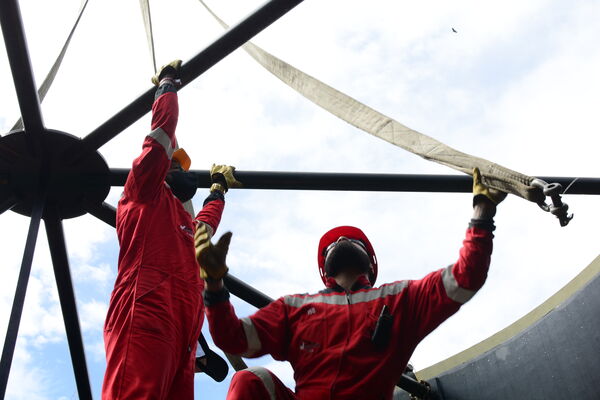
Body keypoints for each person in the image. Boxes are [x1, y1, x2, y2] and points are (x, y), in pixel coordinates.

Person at [195, 168, 506, 400]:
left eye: (352, 240)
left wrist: (483, 211)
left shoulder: (401, 300)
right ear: (324, 270)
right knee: (251, 380)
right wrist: (214, 285)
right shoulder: (294, 309)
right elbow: (232, 338)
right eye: (333, 243)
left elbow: (467, 276)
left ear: (371, 265)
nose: (341, 239)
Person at [102, 60, 240, 400]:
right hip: (146, 310)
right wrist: (167, 87)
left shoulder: (184, 222)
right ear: (163, 170)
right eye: (177, 165)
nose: (184, 171)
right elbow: (160, 138)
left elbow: (206, 224)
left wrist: (218, 190)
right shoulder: (144, 193)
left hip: (184, 330)